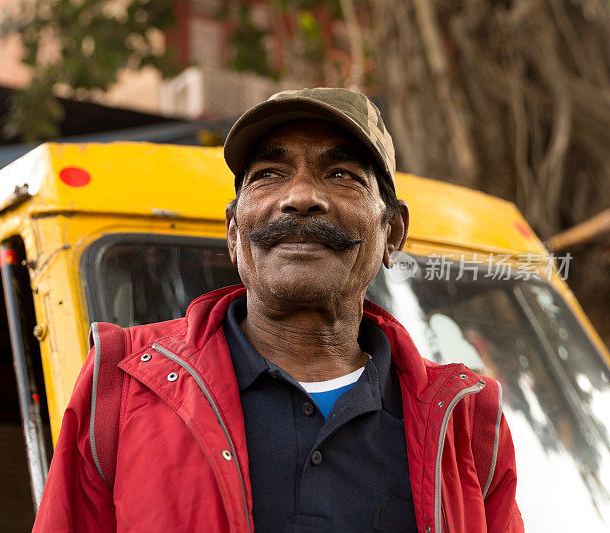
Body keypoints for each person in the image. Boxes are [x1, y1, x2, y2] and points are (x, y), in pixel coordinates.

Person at [32, 88, 524, 532]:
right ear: (232, 230)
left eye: (340, 174)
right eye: (269, 174)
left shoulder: (468, 421)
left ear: (392, 231)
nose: (301, 197)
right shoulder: (123, 384)